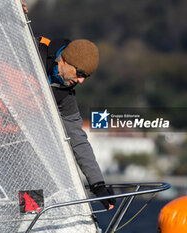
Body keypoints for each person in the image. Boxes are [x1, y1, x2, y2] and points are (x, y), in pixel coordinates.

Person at [21, 1, 115, 210]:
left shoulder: (65, 95)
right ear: (63, 60)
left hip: (17, 144)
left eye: (86, 77)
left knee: (36, 176)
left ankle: (30, 217)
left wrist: (97, 184)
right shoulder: (31, 48)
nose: (81, 81)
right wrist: (8, 12)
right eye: (79, 74)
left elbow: (78, 140)